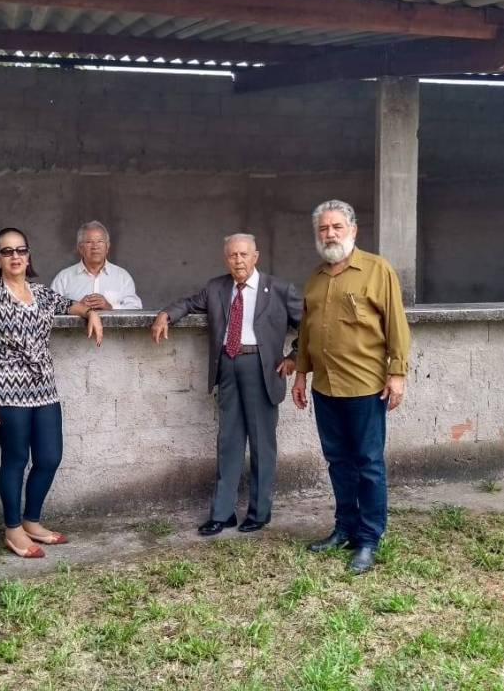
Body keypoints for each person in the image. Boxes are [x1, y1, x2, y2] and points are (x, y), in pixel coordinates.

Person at [152, 234, 302, 536]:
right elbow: (189, 303)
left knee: (262, 443)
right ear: (226, 259)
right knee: (228, 441)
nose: (238, 260)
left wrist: (294, 357)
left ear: (255, 256)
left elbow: (310, 325)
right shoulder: (216, 287)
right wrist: (165, 315)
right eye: (233, 255)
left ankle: (259, 512)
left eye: (244, 254)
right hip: (228, 366)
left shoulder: (279, 289)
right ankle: (223, 513)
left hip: (262, 368)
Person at [0, 226, 103, 559]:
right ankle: (13, 530)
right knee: (16, 460)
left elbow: (69, 304)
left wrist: (91, 313)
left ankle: (31, 521)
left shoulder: (42, 294)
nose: (15, 256)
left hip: (44, 390)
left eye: (21, 250)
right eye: (7, 251)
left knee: (49, 458)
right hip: (7, 391)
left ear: (29, 256)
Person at [292, 200, 411, 574]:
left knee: (368, 463)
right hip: (325, 387)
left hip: (364, 386)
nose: (329, 234)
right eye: (323, 228)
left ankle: (369, 538)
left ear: (353, 230)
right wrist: (300, 374)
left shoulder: (377, 270)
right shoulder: (315, 278)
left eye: (336, 227)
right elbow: (307, 333)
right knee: (338, 461)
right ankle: (344, 528)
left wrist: (397, 373)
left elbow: (396, 325)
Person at [50, 221, 143, 310]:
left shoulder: (122, 276)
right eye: (89, 242)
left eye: (100, 241)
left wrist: (111, 307)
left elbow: (135, 308)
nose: (95, 247)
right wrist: (76, 308)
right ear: (80, 248)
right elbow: (49, 309)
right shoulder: (63, 278)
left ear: (107, 247)